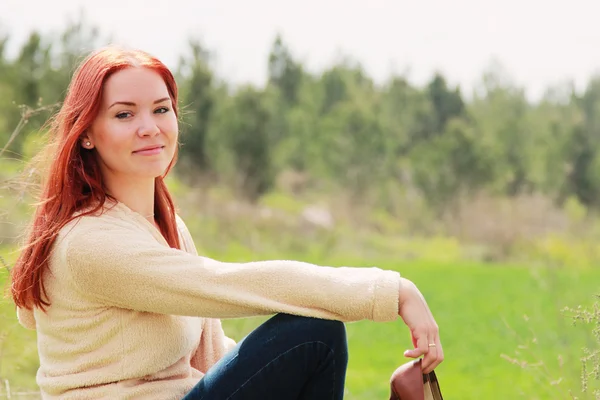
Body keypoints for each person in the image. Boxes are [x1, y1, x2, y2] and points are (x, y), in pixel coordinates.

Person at [10, 45, 444, 400]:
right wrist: (392, 291)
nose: (149, 127)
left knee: (311, 341)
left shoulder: (167, 226)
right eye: (124, 114)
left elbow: (210, 355)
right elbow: (228, 283)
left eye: (161, 110)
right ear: (86, 132)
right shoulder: (89, 243)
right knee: (313, 333)